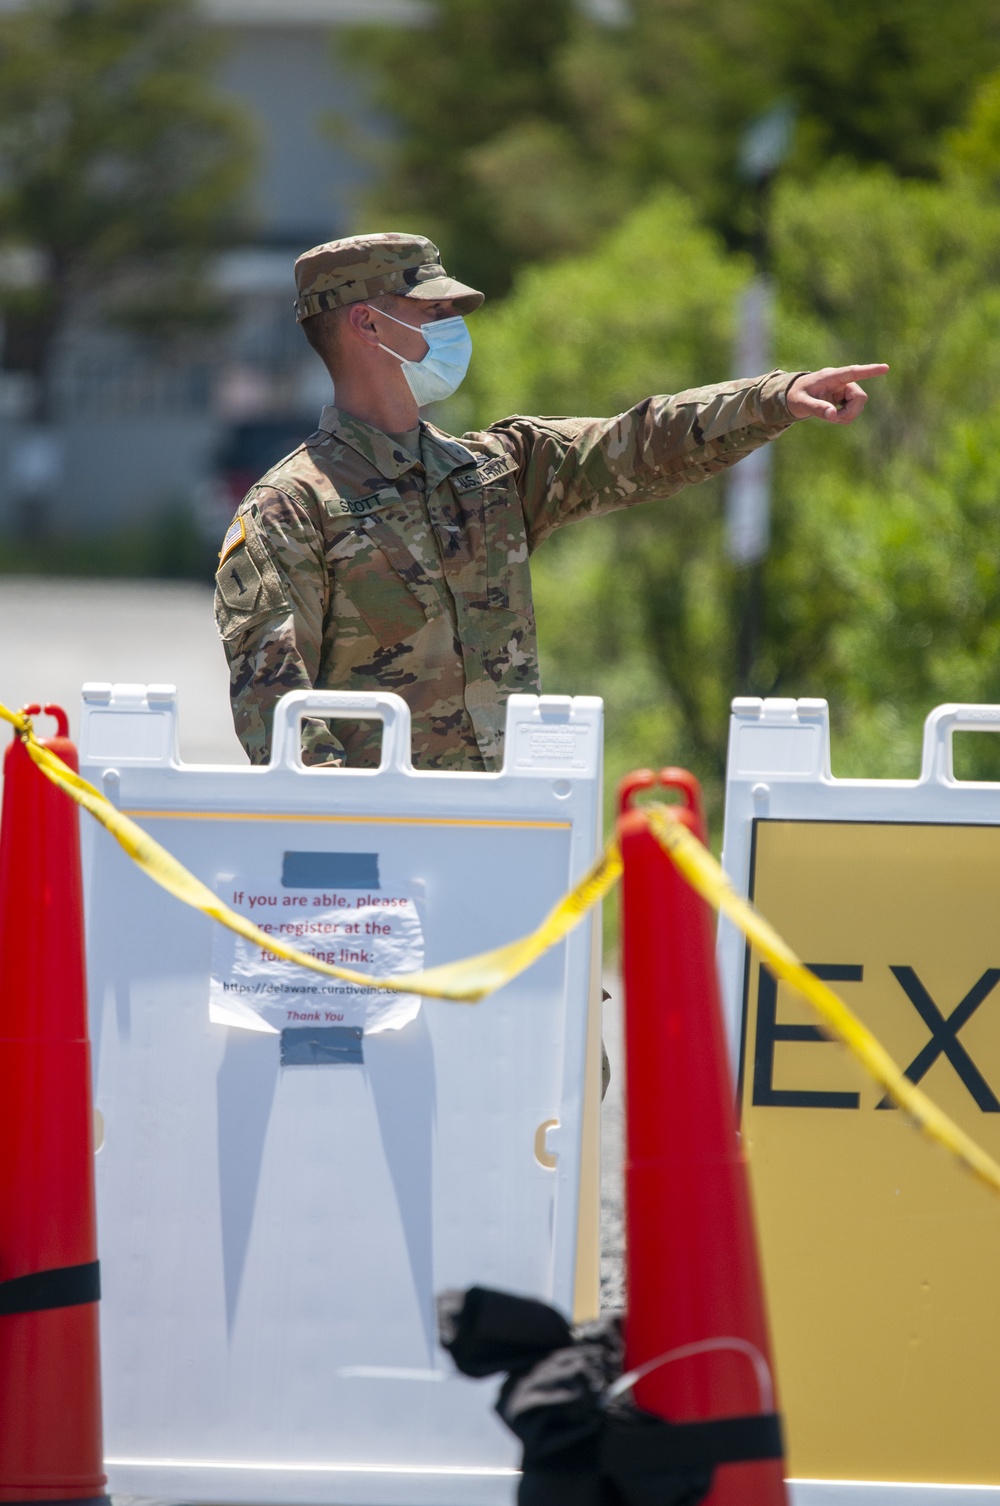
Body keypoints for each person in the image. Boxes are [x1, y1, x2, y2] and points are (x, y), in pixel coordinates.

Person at [214, 232, 886, 770]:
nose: (453, 326)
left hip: (512, 832)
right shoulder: (289, 508)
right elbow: (275, 705)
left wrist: (772, 399)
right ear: (368, 324)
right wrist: (347, 840)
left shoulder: (491, 472)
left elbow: (639, 443)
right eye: (433, 311)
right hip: (383, 848)